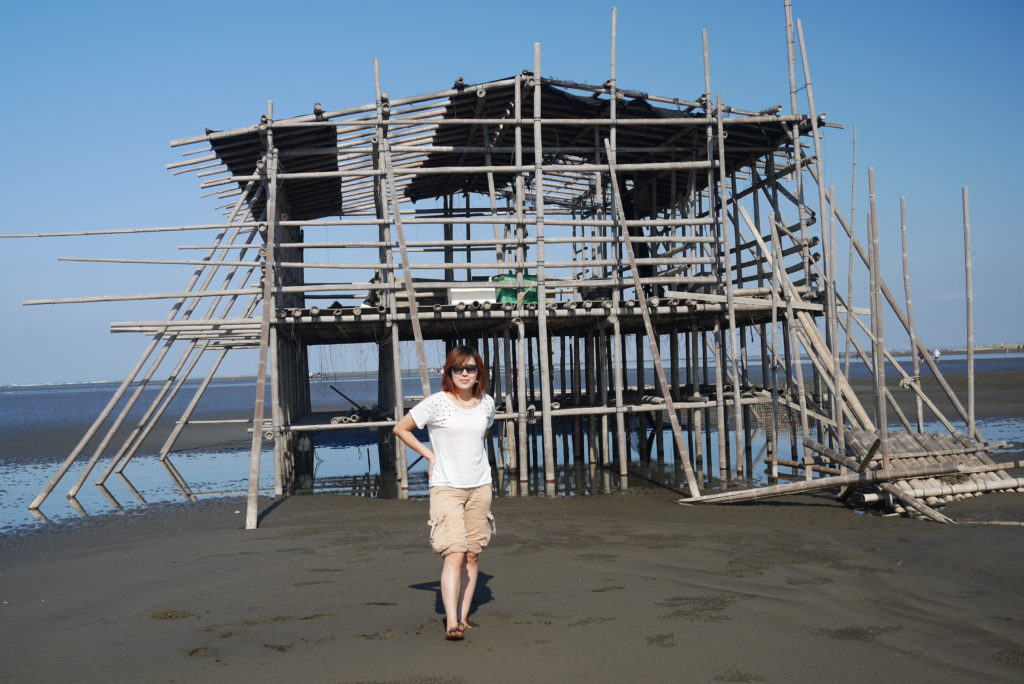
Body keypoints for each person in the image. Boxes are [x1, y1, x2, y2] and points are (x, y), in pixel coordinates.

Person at [393, 345, 496, 641]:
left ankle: (463, 617)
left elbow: (483, 433)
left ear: (479, 373)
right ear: (449, 372)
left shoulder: (487, 403)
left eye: (470, 368)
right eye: (457, 368)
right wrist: (430, 455)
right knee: (454, 553)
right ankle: (451, 621)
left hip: (480, 486)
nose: (464, 373)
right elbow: (401, 428)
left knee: (472, 555)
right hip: (446, 486)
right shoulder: (437, 403)